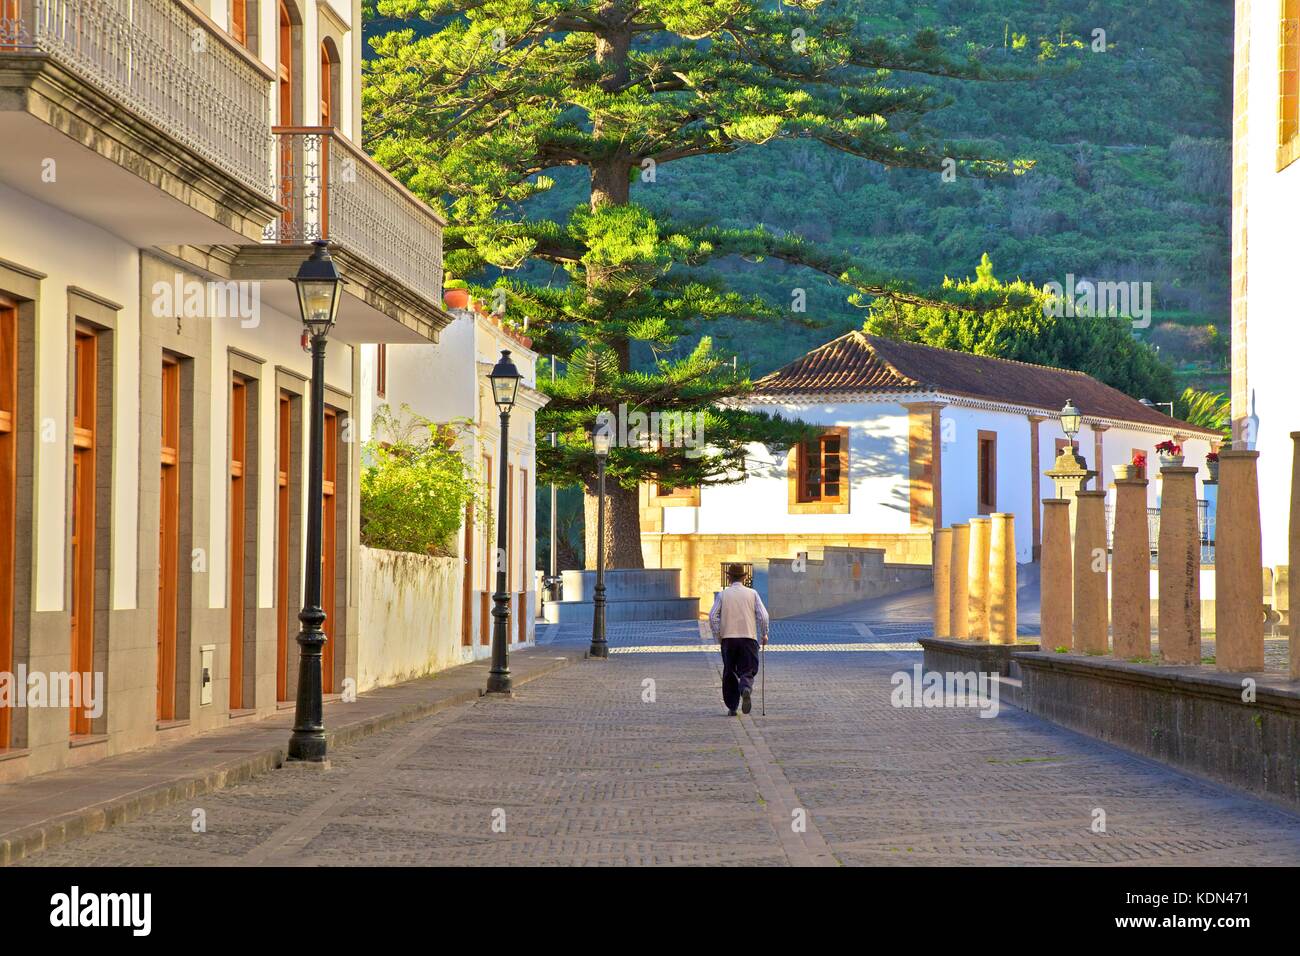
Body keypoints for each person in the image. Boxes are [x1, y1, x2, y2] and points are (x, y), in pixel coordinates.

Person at [708, 564, 770, 716]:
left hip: (728, 639)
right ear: (743, 578)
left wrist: (718, 635)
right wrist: (764, 633)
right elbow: (763, 616)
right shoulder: (753, 593)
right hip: (748, 637)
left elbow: (712, 616)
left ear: (729, 578)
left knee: (729, 671)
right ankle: (746, 688)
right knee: (748, 669)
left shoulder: (723, 595)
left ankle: (732, 706)